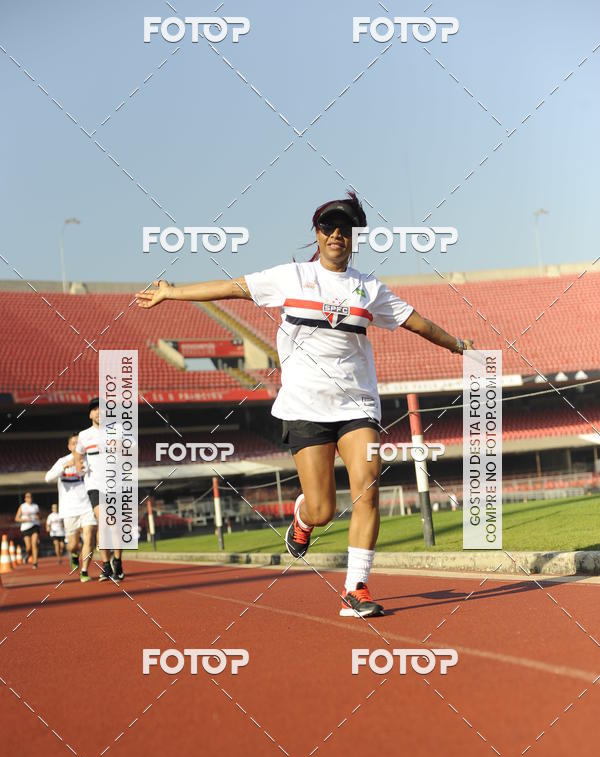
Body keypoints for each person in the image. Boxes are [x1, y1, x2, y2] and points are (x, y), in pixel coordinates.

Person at [135, 192, 473, 617]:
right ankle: (303, 517)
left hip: (358, 405)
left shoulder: (369, 288)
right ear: (317, 234)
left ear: (352, 239)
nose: (336, 235)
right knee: (323, 508)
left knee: (368, 487)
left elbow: (417, 323)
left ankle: (357, 588)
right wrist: (171, 293)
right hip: (305, 408)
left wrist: (459, 346)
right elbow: (232, 288)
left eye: (344, 230)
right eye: (328, 228)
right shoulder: (290, 277)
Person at [74, 398, 124, 581]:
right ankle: (105, 566)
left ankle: (117, 561)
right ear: (90, 414)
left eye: (101, 409)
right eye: (94, 410)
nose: (98, 412)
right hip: (94, 484)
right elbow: (77, 453)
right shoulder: (84, 435)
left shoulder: (118, 430)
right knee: (104, 522)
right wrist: (79, 465)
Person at [45, 434, 97, 582]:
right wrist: (63, 467)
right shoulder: (62, 461)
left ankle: (85, 570)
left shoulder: (88, 461)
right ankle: (74, 555)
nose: (76, 446)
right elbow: (48, 478)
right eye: (73, 444)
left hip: (87, 506)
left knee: (89, 536)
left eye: (78, 443)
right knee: (73, 545)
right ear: (69, 446)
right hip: (69, 509)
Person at [15, 491, 41, 568]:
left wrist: (38, 517)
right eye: (27, 497)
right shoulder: (22, 507)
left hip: (35, 526)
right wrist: (25, 520)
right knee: (28, 547)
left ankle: (35, 563)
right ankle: (28, 555)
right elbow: (16, 518)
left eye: (30, 497)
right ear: (25, 499)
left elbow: (40, 517)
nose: (29, 498)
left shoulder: (35, 506)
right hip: (25, 528)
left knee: (34, 544)